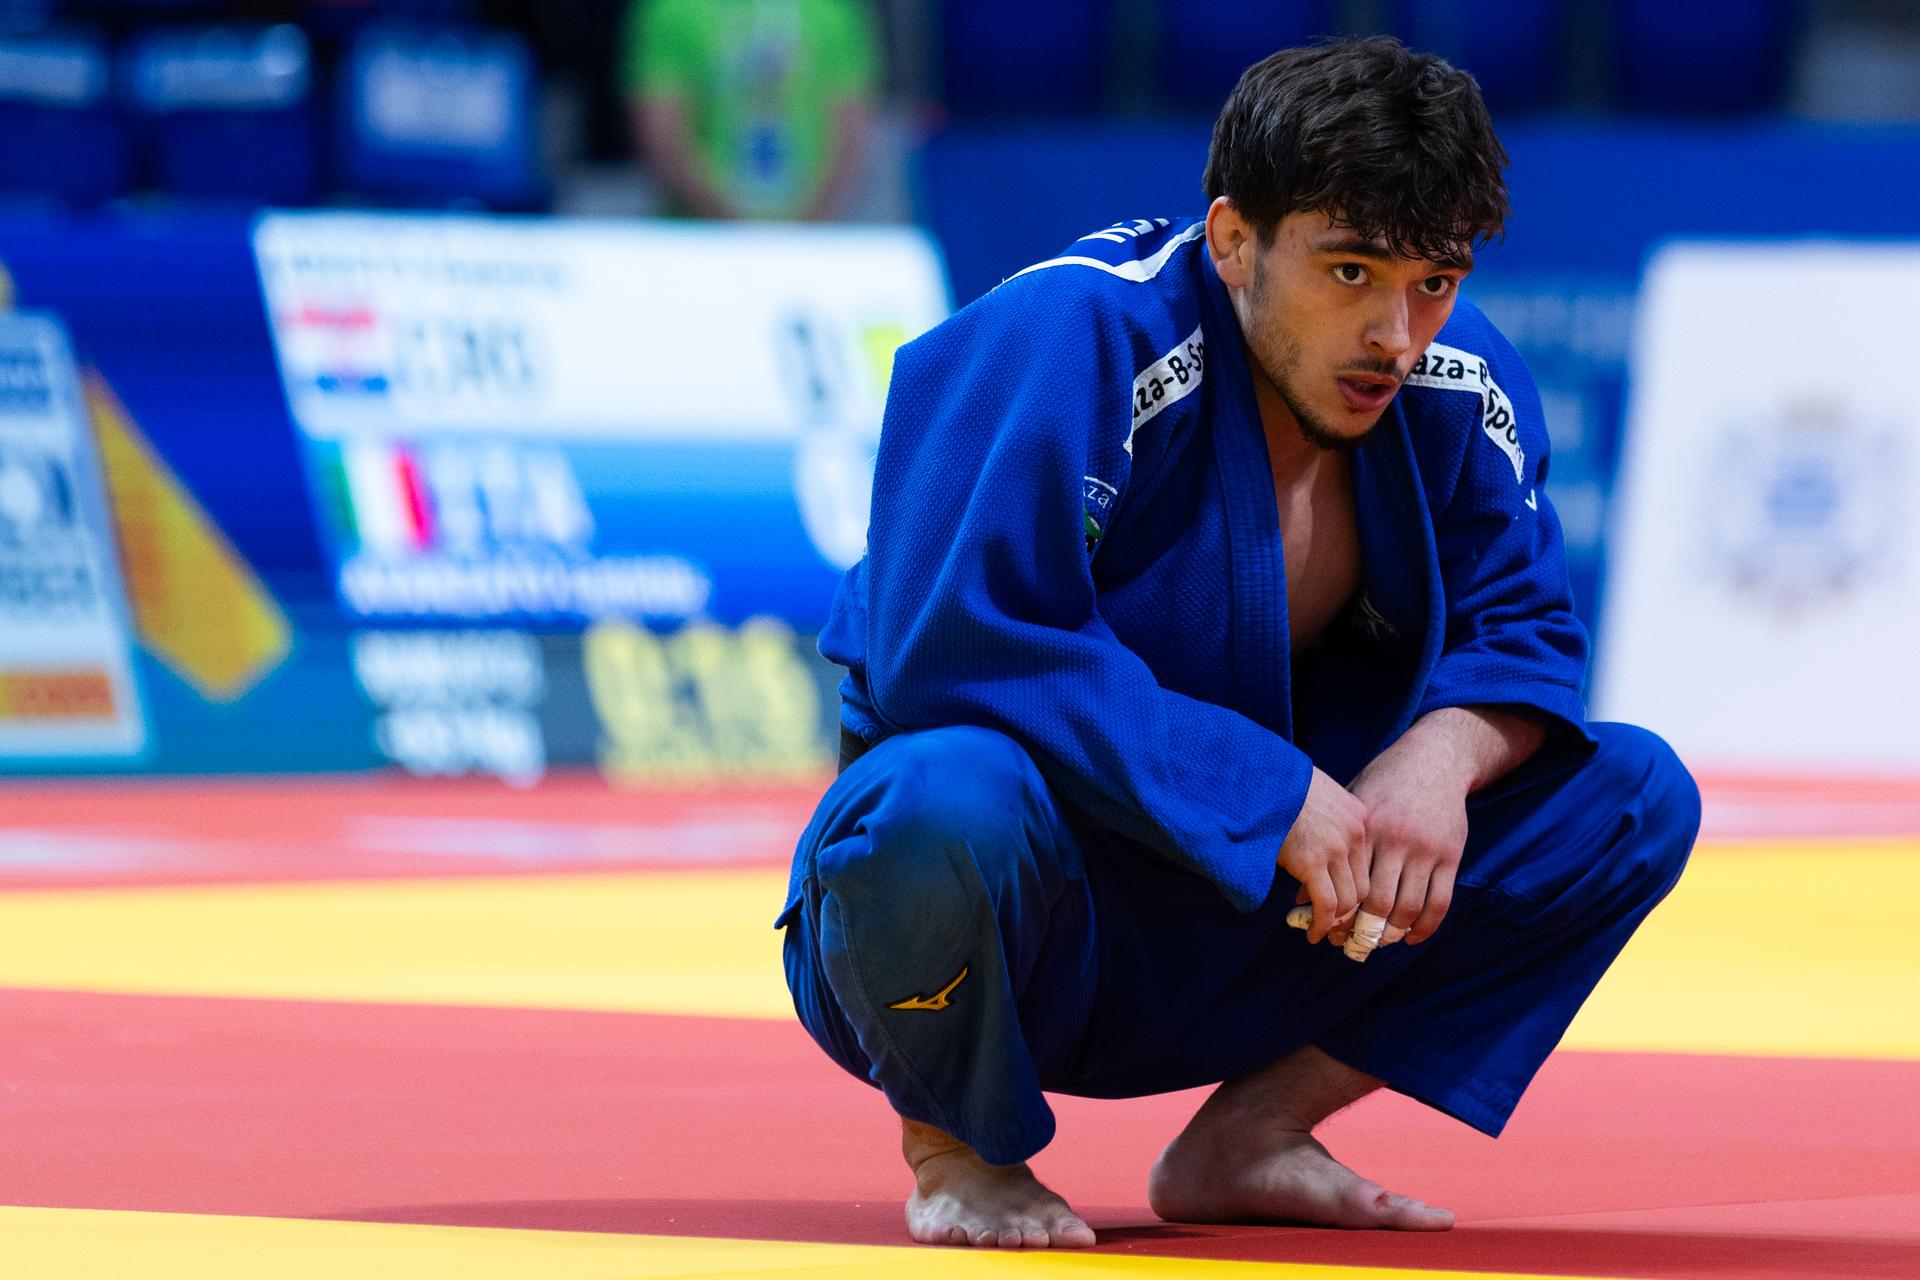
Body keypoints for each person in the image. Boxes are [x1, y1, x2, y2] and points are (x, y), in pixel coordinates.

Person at [776, 36, 1700, 1249]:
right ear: (1233, 239)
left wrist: (1442, 753)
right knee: (934, 795)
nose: (1395, 331)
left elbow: (1523, 626)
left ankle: (1253, 1130)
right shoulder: (1077, 331)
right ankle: (958, 1145)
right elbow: (947, 638)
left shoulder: (1458, 384)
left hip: (1275, 926)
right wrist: (1264, 790)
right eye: (1352, 270)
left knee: (1629, 792)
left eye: (1434, 280)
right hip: (1016, 928)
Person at [622, 0, 879, 221]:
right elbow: (661, 137)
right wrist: (732, 224)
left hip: (804, 246)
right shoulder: (675, 9)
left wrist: (804, 227)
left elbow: (851, 135)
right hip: (695, 244)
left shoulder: (831, 12)